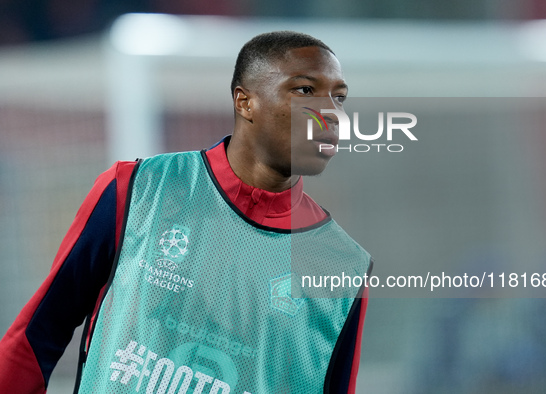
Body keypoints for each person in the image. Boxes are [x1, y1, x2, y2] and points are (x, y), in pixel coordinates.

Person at [0, 31, 372, 393]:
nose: (332, 115)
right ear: (245, 102)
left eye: (339, 99)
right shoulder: (137, 189)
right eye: (305, 90)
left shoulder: (344, 268)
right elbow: (36, 337)